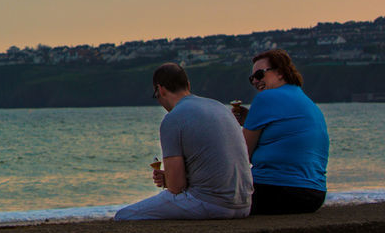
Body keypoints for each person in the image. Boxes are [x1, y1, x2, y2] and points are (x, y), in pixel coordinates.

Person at [115, 63, 252, 220]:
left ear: (160, 90)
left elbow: (176, 187)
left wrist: (169, 179)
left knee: (124, 216)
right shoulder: (219, 107)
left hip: (211, 204)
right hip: (244, 205)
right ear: (188, 85)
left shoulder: (173, 118)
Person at [229, 49, 329, 214]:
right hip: (314, 195)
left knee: (210, 196)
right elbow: (285, 140)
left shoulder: (265, 98)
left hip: (277, 191)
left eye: (260, 74)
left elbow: (241, 155)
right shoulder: (306, 101)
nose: (255, 81)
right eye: (252, 78)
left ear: (281, 72)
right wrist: (250, 121)